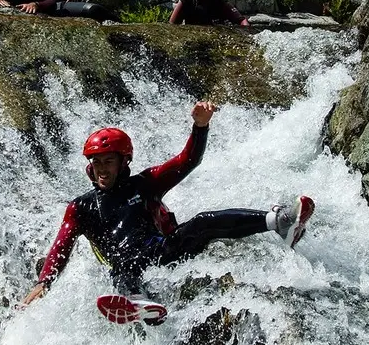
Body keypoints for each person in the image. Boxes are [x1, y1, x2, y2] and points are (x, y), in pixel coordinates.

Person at [21, 101, 314, 325]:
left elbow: (187, 161)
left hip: (163, 251)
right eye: (96, 163)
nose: (102, 170)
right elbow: (61, 246)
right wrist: (43, 282)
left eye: (108, 162)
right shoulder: (80, 207)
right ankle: (137, 304)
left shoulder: (145, 183)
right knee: (123, 265)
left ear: (124, 162)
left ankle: (281, 222)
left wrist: (200, 127)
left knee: (202, 222)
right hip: (128, 269)